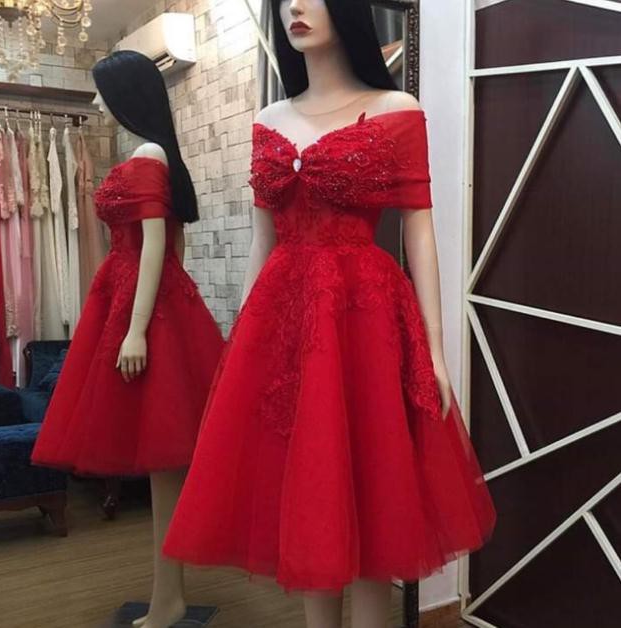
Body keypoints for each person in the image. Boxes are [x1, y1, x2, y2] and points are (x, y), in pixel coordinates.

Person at [164, 2, 497, 627]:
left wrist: (435, 350)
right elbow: (262, 241)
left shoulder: (397, 109)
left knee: (372, 489)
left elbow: (420, 233)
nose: (295, 6)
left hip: (364, 319)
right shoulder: (268, 120)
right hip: (285, 324)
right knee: (308, 488)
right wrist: (241, 346)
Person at [31, 50, 225, 628]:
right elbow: (169, 243)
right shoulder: (157, 154)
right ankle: (168, 593)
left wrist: (138, 328)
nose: (96, 101)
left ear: (126, 94)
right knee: (163, 463)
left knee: (166, 460)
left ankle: (170, 597)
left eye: (102, 90)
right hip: (133, 299)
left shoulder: (148, 154)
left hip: (141, 308)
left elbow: (158, 245)